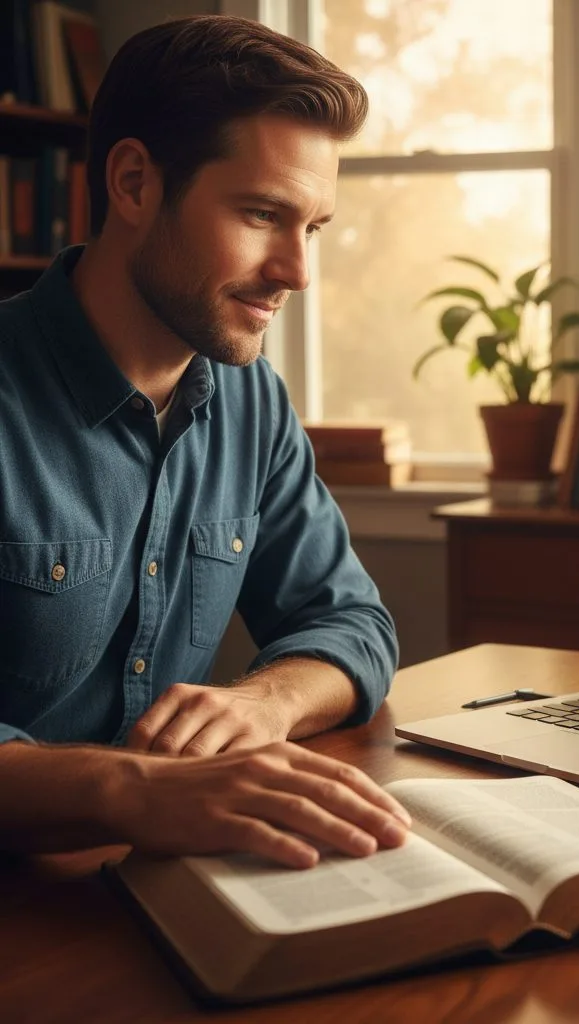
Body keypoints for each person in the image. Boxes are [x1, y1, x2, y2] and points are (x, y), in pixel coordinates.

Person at [0, 15, 412, 869]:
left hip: (152, 888)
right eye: (265, 214)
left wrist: (267, 702)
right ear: (135, 183)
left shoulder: (250, 400)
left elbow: (351, 622)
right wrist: (136, 792)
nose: (298, 271)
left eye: (315, 227)